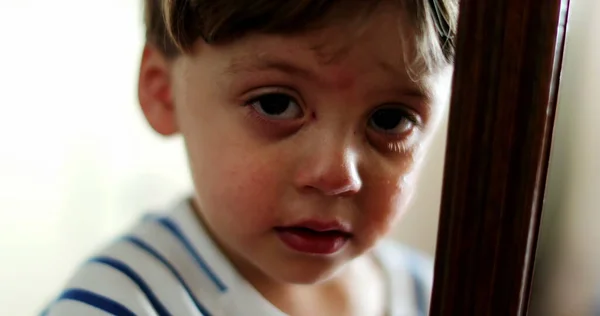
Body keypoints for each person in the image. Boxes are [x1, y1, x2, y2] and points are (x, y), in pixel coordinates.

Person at [42, 0, 457, 315]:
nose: (336, 174)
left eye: (390, 119)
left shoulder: (434, 294)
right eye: (276, 104)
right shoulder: (116, 304)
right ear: (163, 92)